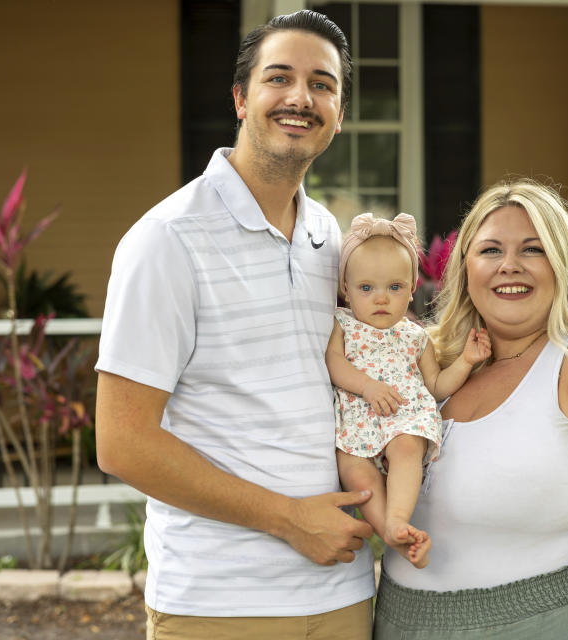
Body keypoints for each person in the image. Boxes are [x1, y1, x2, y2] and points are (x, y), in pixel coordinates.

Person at [94, 11, 378, 639]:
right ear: (241, 98)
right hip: (220, 603)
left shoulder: (326, 235)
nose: (301, 98)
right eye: (280, 78)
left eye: (323, 85)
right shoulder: (166, 240)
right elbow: (122, 443)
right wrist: (287, 519)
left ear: (339, 109)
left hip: (343, 590)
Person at [373, 179, 568, 639]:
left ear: (563, 264)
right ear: (464, 267)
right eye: (491, 250)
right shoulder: (431, 366)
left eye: (532, 250)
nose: (509, 266)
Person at [326, 213, 491, 569]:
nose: (380, 299)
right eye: (366, 288)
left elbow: (434, 386)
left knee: (406, 449)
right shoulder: (342, 325)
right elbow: (335, 365)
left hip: (402, 417)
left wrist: (465, 361)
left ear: (412, 288)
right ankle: (389, 531)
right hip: (356, 422)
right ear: (346, 289)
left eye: (395, 288)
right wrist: (368, 387)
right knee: (355, 472)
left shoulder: (415, 336)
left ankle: (398, 519)